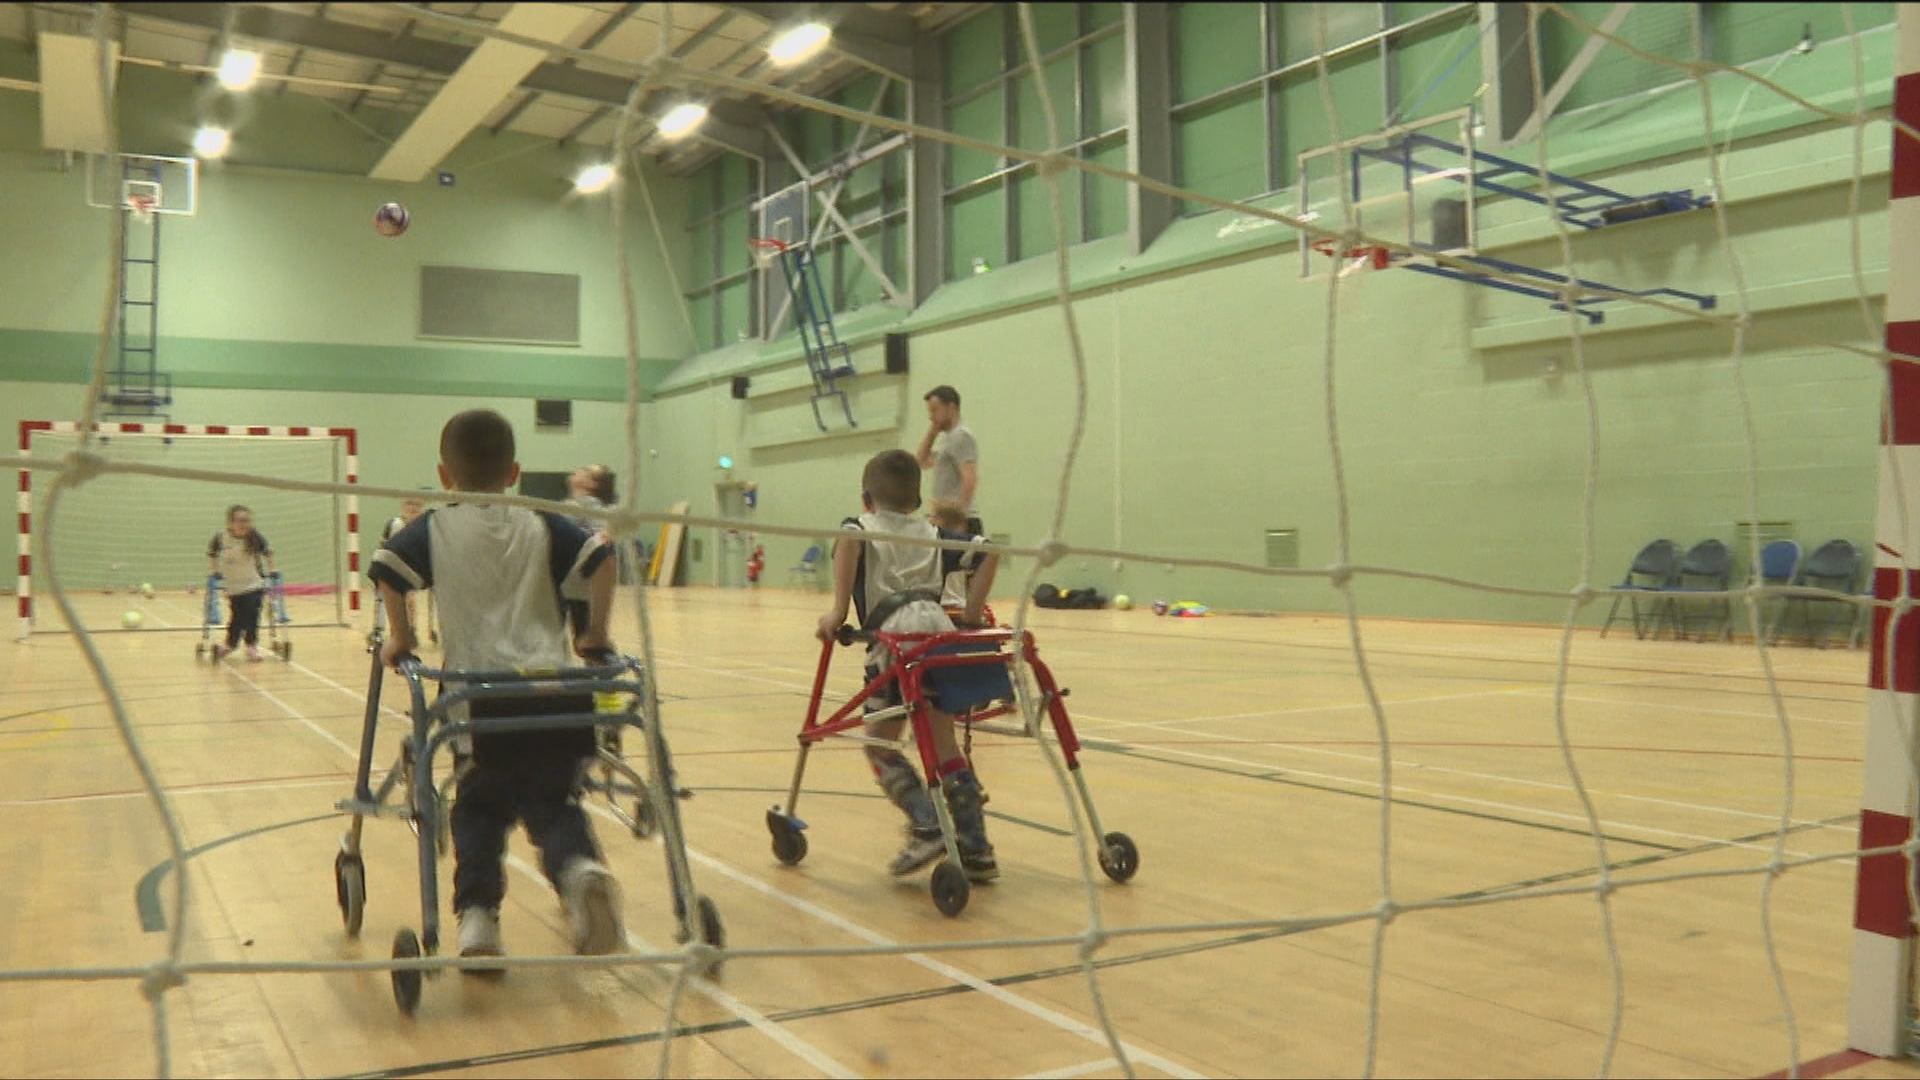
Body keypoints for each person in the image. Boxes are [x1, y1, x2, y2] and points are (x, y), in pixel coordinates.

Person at [371, 409, 625, 965]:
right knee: (554, 801)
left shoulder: (435, 526)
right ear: (514, 471)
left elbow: (386, 567)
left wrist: (401, 637)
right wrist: (595, 634)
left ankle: (479, 920)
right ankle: (580, 871)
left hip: (477, 697)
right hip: (557, 689)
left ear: (444, 474)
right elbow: (604, 557)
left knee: (479, 807)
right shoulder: (540, 520)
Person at [817, 449, 1000, 882]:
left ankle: (926, 824)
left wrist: (837, 613)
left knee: (879, 743)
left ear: (866, 499)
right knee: (944, 746)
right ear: (917, 500)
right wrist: (973, 613)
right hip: (938, 637)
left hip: (894, 642)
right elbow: (991, 551)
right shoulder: (932, 533)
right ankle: (976, 848)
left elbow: (848, 543)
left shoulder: (858, 527)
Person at [207, 505, 275, 662]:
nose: (244, 524)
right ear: (230, 523)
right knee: (237, 616)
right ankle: (230, 644)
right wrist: (214, 571)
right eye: (240, 520)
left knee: (252, 613)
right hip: (233, 587)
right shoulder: (221, 538)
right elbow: (212, 554)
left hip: (254, 584)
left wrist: (273, 570)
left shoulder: (254, 537)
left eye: (247, 520)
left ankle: (251, 646)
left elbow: (268, 553)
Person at [915, 385, 983, 536]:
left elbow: (970, 478)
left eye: (934, 410)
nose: (931, 416)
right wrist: (932, 432)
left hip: (959, 521)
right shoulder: (947, 439)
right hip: (944, 519)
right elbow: (920, 462)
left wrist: (959, 517)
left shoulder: (961, 436)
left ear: (951, 408)